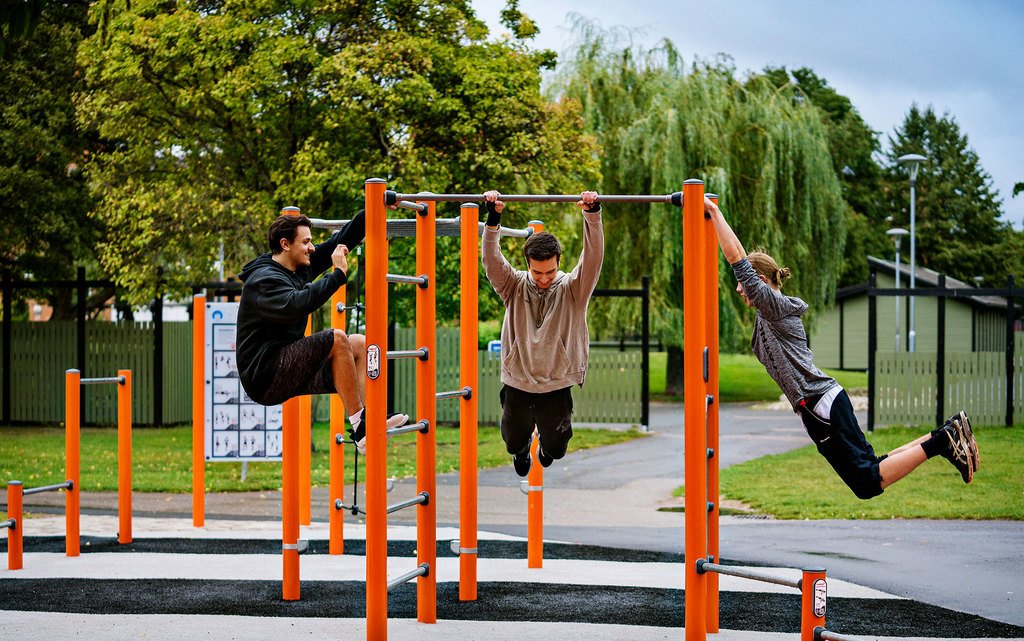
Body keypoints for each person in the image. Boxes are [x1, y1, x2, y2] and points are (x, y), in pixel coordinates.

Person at [704, 196, 980, 498]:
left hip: (819, 405)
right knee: (872, 467)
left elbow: (738, 261)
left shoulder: (774, 306)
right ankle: (945, 433)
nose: (738, 288)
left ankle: (943, 440)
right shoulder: (768, 310)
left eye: (744, 283)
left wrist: (714, 211)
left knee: (866, 482)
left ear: (758, 280)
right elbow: (743, 259)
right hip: (822, 402)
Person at [236, 211, 408, 454]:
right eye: (305, 242)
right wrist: (337, 275)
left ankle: (367, 424)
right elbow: (297, 304)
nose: (312, 248)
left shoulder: (300, 267)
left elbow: (342, 240)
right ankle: (361, 427)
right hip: (265, 375)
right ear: (285, 244)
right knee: (337, 338)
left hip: (289, 365)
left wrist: (374, 207)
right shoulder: (264, 281)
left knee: (358, 344)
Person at [482, 190, 604, 476]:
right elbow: (491, 261)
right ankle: (522, 449)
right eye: (538, 273)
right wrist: (493, 219)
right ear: (528, 265)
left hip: (555, 382)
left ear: (558, 261)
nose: (544, 279)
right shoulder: (513, 286)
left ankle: (545, 449)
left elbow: (593, 258)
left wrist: (592, 214)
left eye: (549, 271)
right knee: (512, 441)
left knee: (558, 446)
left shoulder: (574, 290)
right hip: (519, 379)